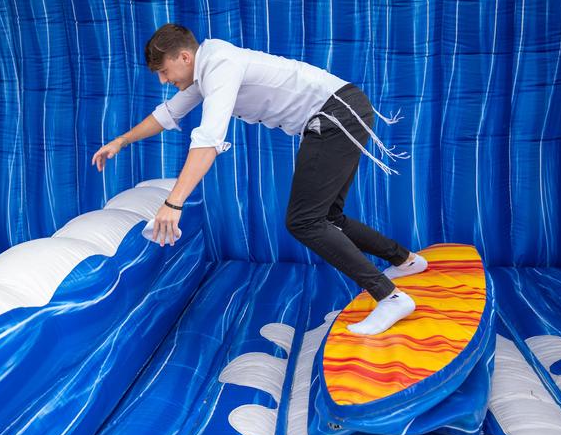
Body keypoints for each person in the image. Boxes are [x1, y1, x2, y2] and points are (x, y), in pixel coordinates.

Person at [92, 24, 428, 335]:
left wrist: (173, 203)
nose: (163, 81)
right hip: (343, 109)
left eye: (164, 71)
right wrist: (121, 141)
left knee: (305, 222)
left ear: (184, 57)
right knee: (327, 217)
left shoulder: (220, 65)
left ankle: (391, 298)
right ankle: (405, 260)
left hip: (334, 114)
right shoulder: (207, 70)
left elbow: (208, 141)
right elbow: (168, 113)